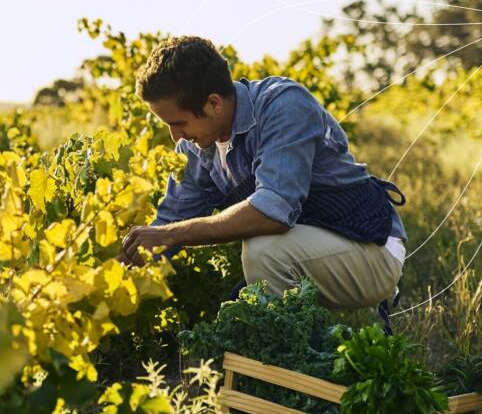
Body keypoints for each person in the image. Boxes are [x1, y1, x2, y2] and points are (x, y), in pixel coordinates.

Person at [119, 36, 408, 319]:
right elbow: (168, 225)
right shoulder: (196, 147)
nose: (176, 136)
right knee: (235, 314)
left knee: (263, 251)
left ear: (214, 104)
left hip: (370, 246)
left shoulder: (283, 105)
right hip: (312, 247)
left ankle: (302, 362)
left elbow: (273, 213)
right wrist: (107, 278)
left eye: (178, 123)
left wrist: (170, 235)